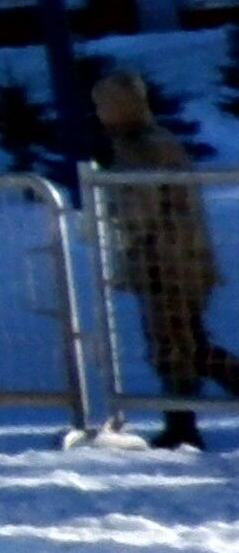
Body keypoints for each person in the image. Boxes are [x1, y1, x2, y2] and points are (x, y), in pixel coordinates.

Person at [92, 67, 220, 450]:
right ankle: (180, 422)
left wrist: (120, 227)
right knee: (183, 342)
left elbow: (140, 209)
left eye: (104, 104)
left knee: (179, 344)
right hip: (177, 258)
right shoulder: (148, 142)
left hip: (168, 261)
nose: (99, 112)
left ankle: (181, 424)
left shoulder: (143, 147)